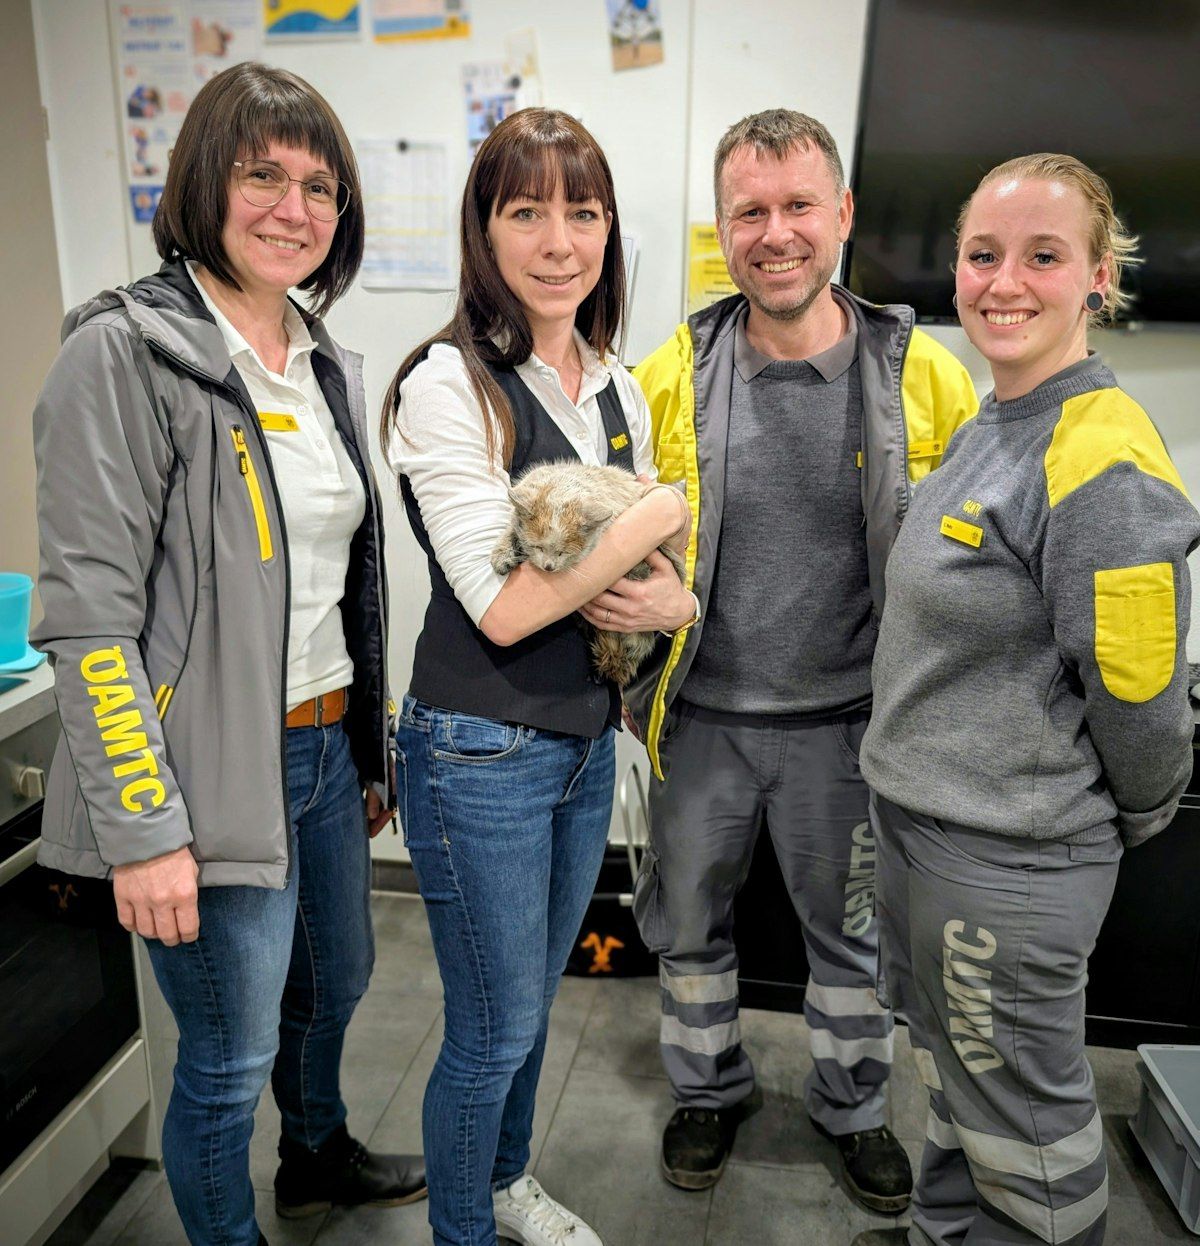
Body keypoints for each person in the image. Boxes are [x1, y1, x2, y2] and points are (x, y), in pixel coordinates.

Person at [31, 62, 424, 1246]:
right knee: (227, 1049)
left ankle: (313, 1155)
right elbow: (89, 616)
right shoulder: (124, 353)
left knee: (335, 988)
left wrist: (364, 748)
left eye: (320, 186)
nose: (293, 208)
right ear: (206, 179)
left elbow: (336, 584)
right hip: (198, 781)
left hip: (317, 752)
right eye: (263, 175)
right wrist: (146, 830)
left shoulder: (318, 360)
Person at [622, 108, 977, 1207]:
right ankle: (706, 1090)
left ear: (842, 216)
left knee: (856, 944)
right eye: (749, 212)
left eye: (797, 207)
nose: (775, 234)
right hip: (698, 721)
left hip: (852, 729)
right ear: (722, 227)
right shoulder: (665, 376)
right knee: (688, 932)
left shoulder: (927, 379)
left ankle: (854, 1108)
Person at [853, 154, 1200, 1246]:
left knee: (1028, 1137)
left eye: (1043, 255)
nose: (1005, 281)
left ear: (1100, 276)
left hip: (1005, 858)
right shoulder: (994, 420)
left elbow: (1143, 702)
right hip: (926, 832)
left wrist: (1126, 814)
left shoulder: (1101, 453)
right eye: (983, 254)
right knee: (960, 1091)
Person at [383, 108, 698, 1246]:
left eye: (584, 210)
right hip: (476, 752)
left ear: (610, 230)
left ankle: (504, 1184)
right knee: (491, 1026)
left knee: (529, 1010)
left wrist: (678, 600)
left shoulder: (616, 383)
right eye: (526, 211)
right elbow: (505, 606)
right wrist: (653, 518)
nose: (559, 239)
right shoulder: (445, 384)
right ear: (485, 229)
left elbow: (653, 573)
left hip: (576, 745)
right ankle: (463, 1225)